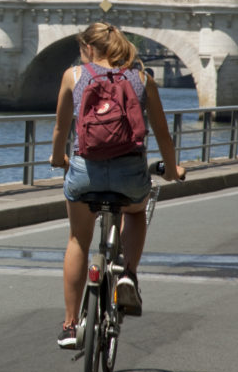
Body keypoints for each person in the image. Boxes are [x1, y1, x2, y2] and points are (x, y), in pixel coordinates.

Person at [49, 22, 185, 349]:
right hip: (129, 172)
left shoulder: (74, 76)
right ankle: (127, 273)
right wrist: (172, 169)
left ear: (88, 48)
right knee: (136, 212)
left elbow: (60, 127)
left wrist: (58, 159)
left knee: (78, 240)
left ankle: (70, 325)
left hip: (85, 172)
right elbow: (163, 134)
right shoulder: (141, 79)